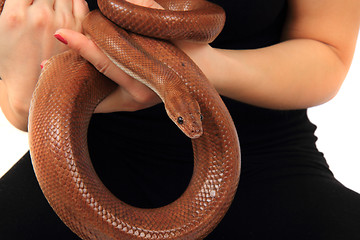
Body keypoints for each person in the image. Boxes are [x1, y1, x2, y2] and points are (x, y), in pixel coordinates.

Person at [0, 0, 359, 239]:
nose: (192, 130)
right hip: (74, 166)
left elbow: (327, 49)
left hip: (271, 163)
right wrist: (28, 101)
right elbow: (15, 99)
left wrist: (198, 68)